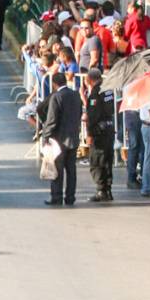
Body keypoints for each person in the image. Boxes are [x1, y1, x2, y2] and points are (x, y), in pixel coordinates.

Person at [41, 72, 83, 206]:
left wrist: (45, 136)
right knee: (71, 170)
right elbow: (79, 113)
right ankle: (70, 197)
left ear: (54, 84)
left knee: (57, 169)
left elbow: (52, 119)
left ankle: (56, 196)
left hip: (59, 139)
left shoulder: (56, 97)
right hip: (73, 136)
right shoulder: (76, 95)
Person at [84, 69, 115, 202]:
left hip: (99, 131)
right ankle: (107, 189)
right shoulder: (108, 90)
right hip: (109, 128)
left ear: (89, 79)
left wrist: (89, 133)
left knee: (97, 161)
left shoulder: (95, 94)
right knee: (107, 160)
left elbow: (93, 115)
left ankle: (101, 190)